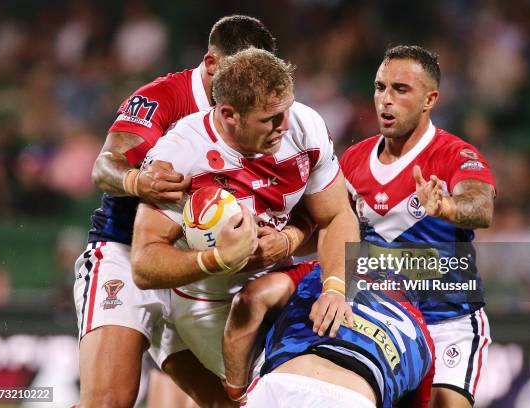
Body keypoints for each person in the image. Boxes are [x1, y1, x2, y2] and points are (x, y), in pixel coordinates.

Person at [73, 15, 311, 408]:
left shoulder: (270, 119)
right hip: (127, 252)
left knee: (233, 403)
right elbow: (104, 165)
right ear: (213, 65)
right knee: (108, 401)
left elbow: (318, 209)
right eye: (243, 74)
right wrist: (137, 181)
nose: (254, 85)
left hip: (207, 277)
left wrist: (288, 238)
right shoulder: (164, 98)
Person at [130, 47, 359, 390]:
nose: (284, 126)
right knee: (274, 392)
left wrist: (332, 286)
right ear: (229, 114)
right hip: (209, 302)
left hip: (281, 280)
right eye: (269, 119)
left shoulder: (305, 126)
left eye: (287, 110)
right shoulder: (180, 154)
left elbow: (337, 214)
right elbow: (143, 264)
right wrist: (218, 259)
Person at [340, 45, 496, 407]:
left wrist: (446, 206)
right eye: (380, 87)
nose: (385, 100)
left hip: (447, 322)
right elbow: (331, 228)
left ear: (430, 99)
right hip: (382, 320)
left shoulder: (454, 154)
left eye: (400, 89)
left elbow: (481, 205)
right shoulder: (353, 160)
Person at [232, 262, 435, 408]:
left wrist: (235, 388)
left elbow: (252, 297)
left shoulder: (323, 270)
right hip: (355, 400)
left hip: (284, 382)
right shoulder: (424, 338)